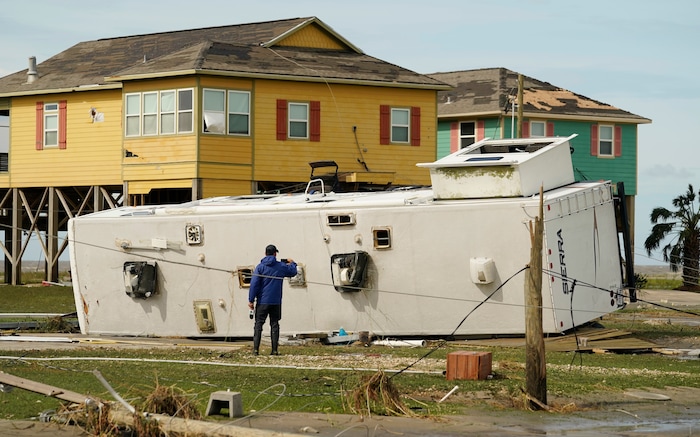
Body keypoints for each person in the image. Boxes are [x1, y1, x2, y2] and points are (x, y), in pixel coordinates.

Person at [248, 244, 298, 355]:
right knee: (274, 324)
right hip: (276, 301)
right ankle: (274, 350)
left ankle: (256, 350)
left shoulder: (260, 267)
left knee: (258, 324)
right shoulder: (281, 266)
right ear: (275, 254)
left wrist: (251, 300)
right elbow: (293, 272)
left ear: (265, 253)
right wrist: (293, 262)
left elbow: (254, 285)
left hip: (262, 301)